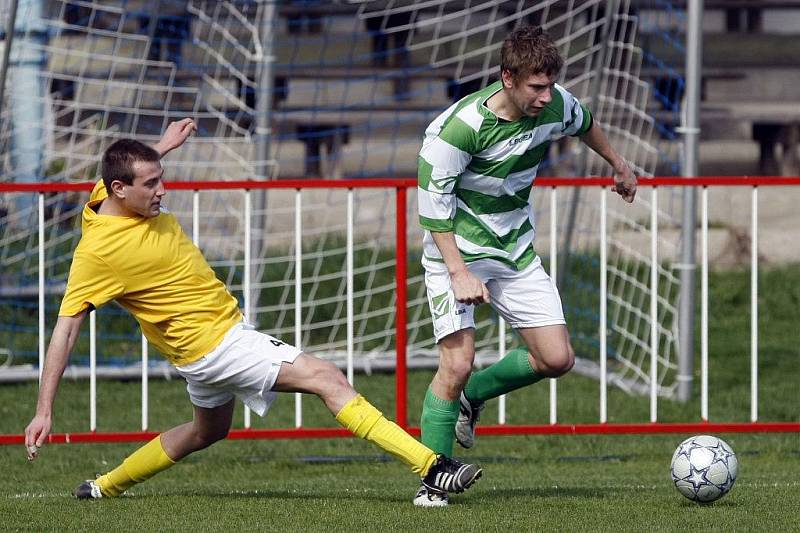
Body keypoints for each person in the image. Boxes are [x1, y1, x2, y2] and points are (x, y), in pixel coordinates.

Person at [24, 118, 481, 503]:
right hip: (219, 344)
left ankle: (103, 486)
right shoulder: (97, 252)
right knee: (327, 378)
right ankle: (431, 465)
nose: (163, 191)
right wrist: (44, 410)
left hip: (196, 356)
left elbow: (128, 173)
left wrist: (162, 147)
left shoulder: (103, 197)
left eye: (161, 177)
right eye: (151, 184)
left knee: (207, 432)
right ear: (121, 189)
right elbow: (65, 331)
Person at [414, 25, 637, 507]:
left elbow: (584, 121)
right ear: (507, 78)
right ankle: (433, 482)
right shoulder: (458, 128)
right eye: (536, 87)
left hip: (515, 250)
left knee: (556, 359)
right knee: (456, 362)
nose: (546, 96)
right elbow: (433, 209)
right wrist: (458, 271)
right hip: (457, 251)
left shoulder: (556, 103)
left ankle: (473, 398)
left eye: (550, 85)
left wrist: (617, 163)